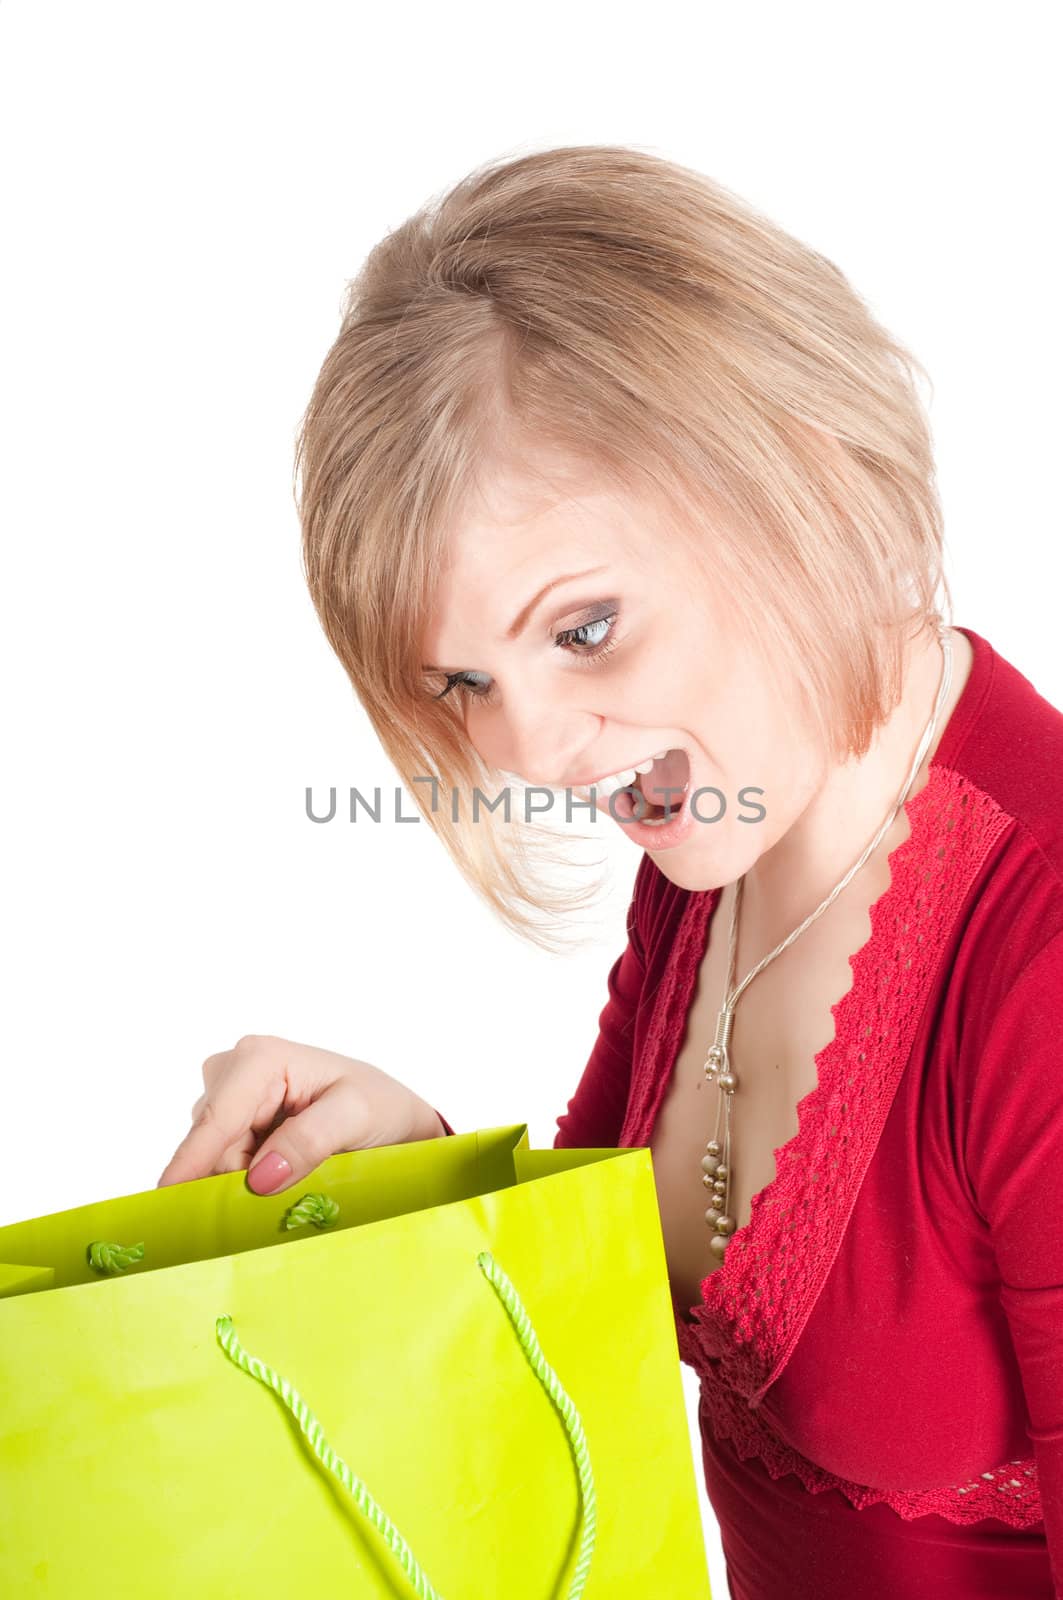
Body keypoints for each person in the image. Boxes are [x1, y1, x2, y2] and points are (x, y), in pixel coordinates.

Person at [156, 145, 1063, 1598]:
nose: (532, 751)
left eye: (582, 629)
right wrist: (418, 1162)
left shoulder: (1038, 955)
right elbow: (599, 1342)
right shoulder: (717, 845)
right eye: (463, 680)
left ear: (799, 469)